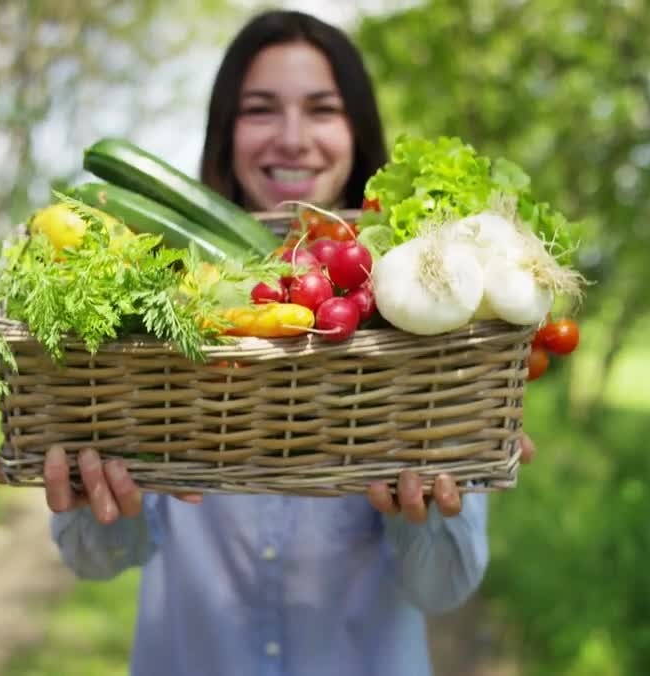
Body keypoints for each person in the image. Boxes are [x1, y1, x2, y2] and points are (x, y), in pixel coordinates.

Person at [31, 9, 537, 676]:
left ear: (357, 130)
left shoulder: (419, 307)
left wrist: (427, 515)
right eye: (261, 109)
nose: (293, 139)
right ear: (225, 132)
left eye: (322, 110)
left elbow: (443, 588)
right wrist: (100, 506)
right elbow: (96, 562)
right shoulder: (163, 303)